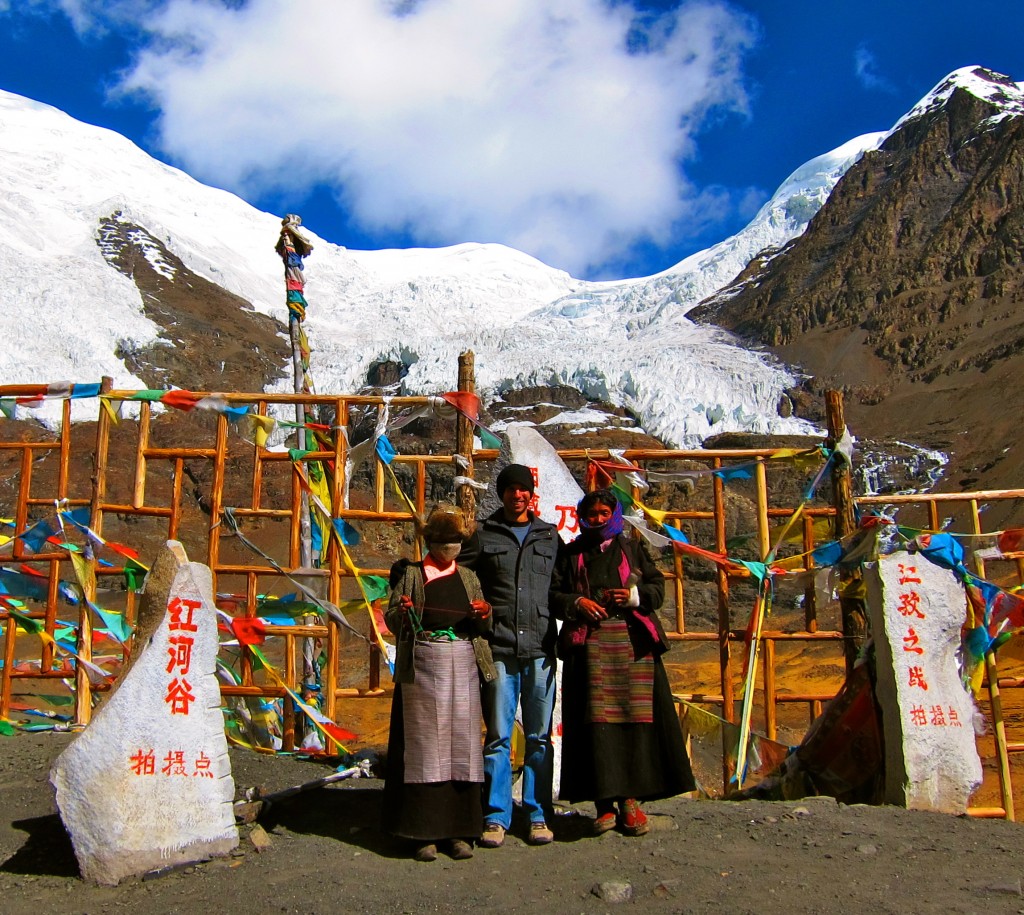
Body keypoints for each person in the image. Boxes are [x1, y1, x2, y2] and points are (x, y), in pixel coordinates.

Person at [550, 488, 695, 836]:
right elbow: (553, 595)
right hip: (590, 648)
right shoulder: (571, 553)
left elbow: (657, 589)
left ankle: (630, 800)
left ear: (613, 514)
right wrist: (577, 603)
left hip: (632, 647)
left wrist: (632, 596)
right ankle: (603, 804)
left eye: (603, 513)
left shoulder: (632, 549)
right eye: (591, 514)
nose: (597, 520)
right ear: (582, 517)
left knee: (634, 722)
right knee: (595, 725)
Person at [381, 504, 495, 862]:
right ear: (428, 540)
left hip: (462, 663)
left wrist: (485, 614)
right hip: (423, 666)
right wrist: (401, 611)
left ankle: (459, 832)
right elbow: (392, 620)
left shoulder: (469, 577)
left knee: (461, 744)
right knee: (424, 747)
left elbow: (482, 625)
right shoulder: (411, 574)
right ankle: (423, 833)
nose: (449, 547)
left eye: (455, 540)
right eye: (442, 540)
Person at [458, 463, 560, 847]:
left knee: (538, 736)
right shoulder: (484, 535)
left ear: (531, 494)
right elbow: (462, 579)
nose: (518, 495)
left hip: (540, 650)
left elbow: (564, 586)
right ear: (500, 493)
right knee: (499, 736)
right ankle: (496, 816)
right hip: (498, 647)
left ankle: (537, 813)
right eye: (511, 489)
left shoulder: (549, 537)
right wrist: (476, 607)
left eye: (524, 489)